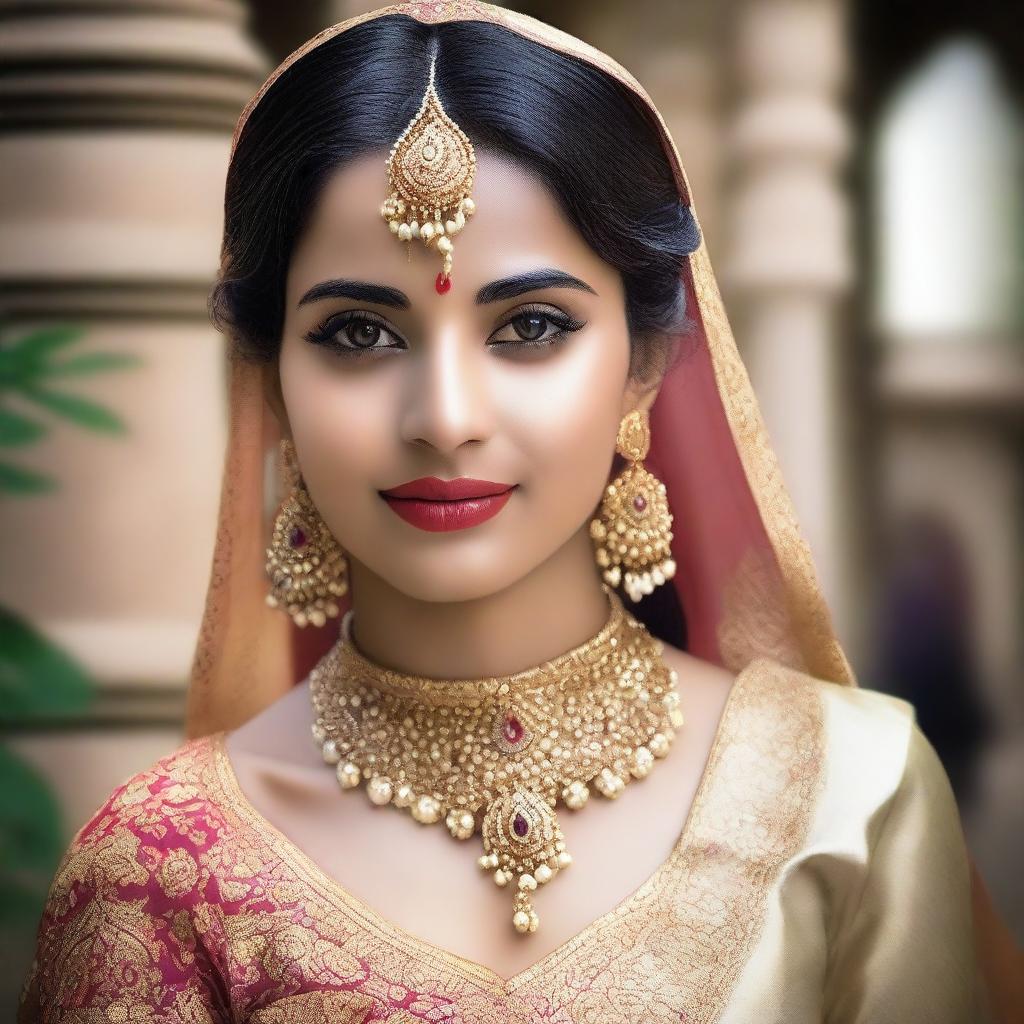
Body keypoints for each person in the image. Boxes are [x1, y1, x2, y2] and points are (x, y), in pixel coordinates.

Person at [17, 3, 1001, 1020]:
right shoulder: (160, 868)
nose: (444, 418)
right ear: (271, 379)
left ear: (645, 362)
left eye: (530, 325)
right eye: (358, 333)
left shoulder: (848, 795)